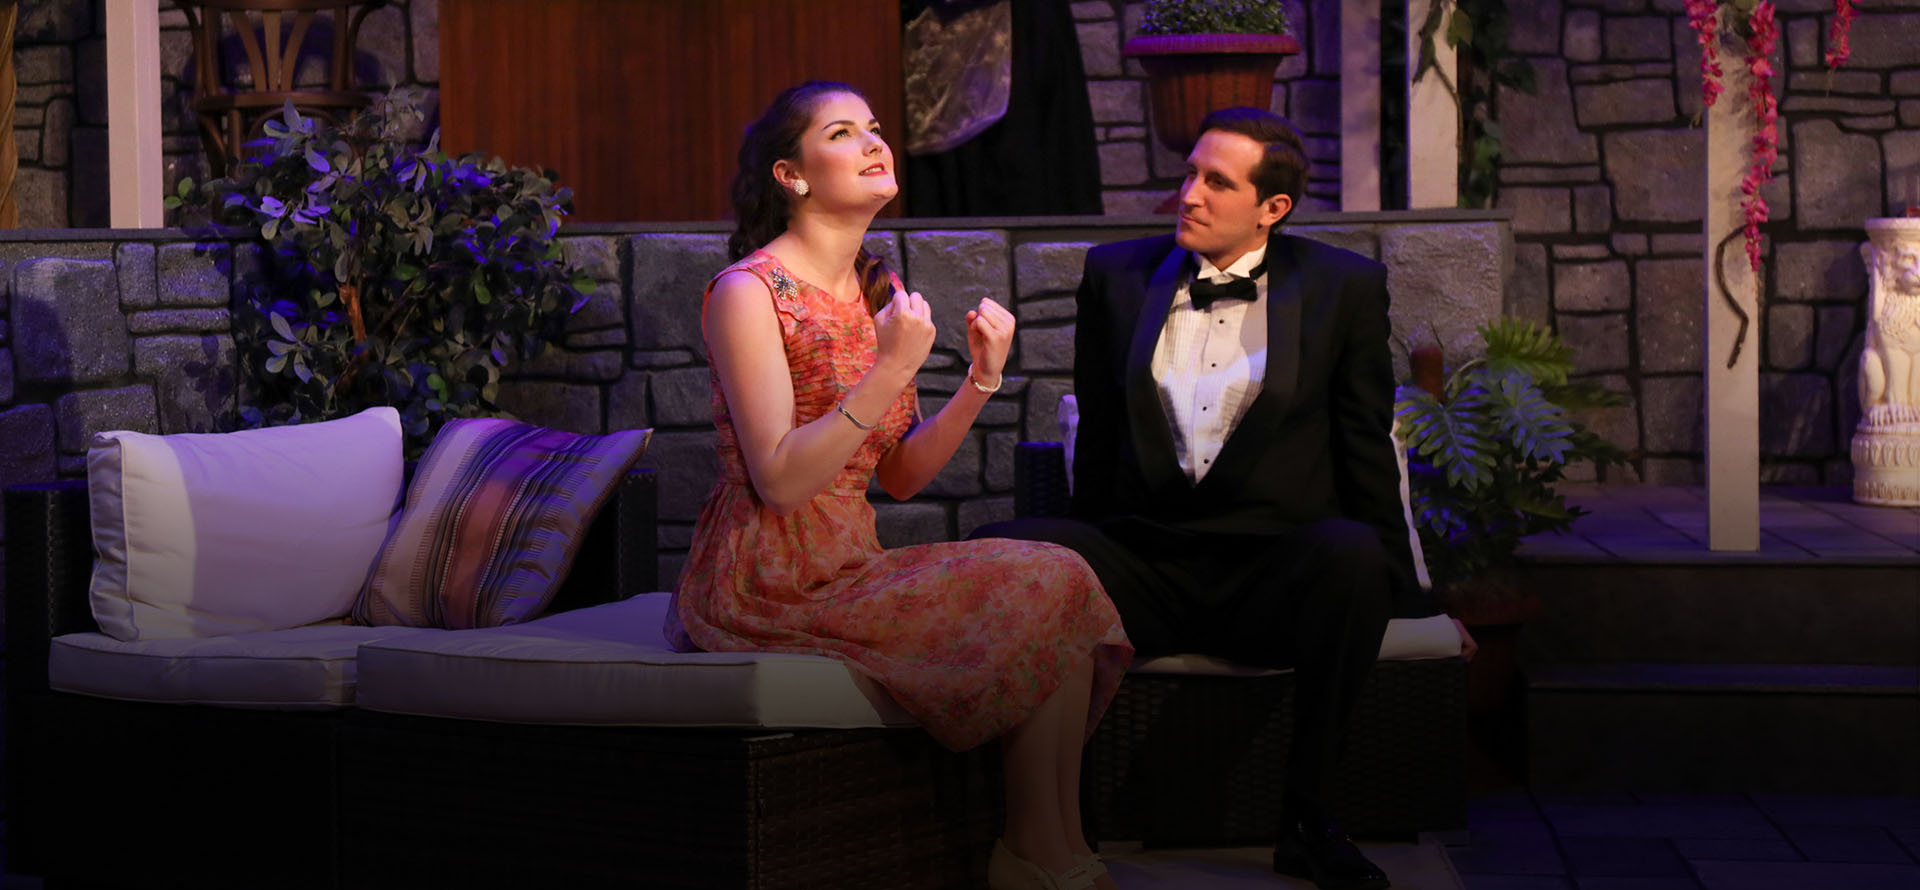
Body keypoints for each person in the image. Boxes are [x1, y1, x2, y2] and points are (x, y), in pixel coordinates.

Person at [972, 107, 1476, 890]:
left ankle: (1309, 820)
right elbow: (1098, 442)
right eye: (1189, 174)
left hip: (1270, 574)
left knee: (1350, 555)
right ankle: (1054, 821)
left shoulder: (1342, 287)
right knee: (1015, 549)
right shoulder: (1115, 276)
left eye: (1216, 182)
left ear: (1272, 207)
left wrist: (1414, 602)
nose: (1189, 194)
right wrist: (1075, 558)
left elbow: (1365, 451)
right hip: (1146, 562)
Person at [664, 80, 1133, 890]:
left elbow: (903, 475)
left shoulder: (876, 291)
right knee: (1042, 578)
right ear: (792, 176)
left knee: (1062, 577)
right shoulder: (748, 292)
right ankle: (1037, 853)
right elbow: (780, 480)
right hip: (766, 576)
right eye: (842, 132)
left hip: (850, 558)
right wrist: (888, 369)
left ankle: (1054, 844)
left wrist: (980, 380)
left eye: (874, 127)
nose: (874, 142)